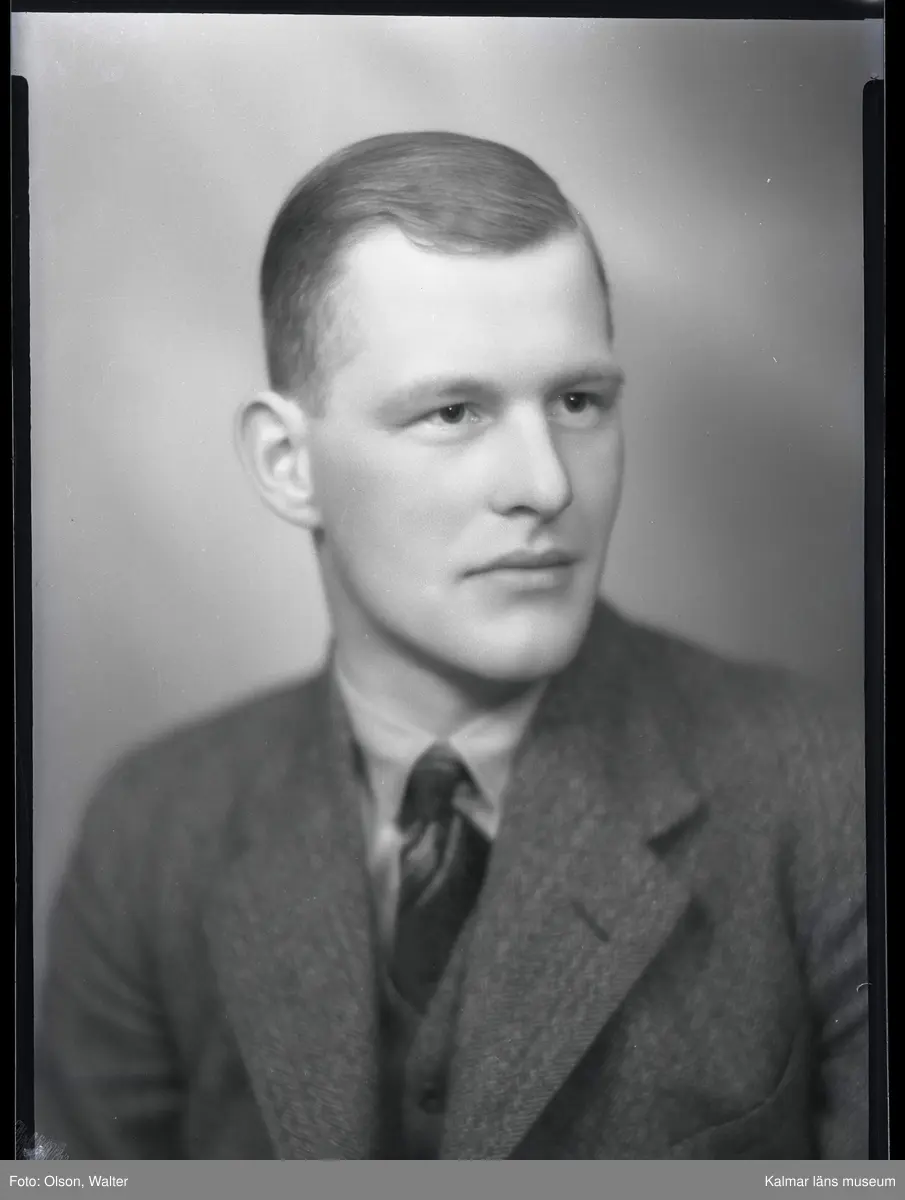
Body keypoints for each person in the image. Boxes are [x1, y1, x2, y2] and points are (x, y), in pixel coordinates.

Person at [36, 131, 867, 1161]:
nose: (545, 484)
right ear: (288, 463)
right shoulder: (151, 833)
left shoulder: (827, 793)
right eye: (453, 411)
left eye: (577, 402)